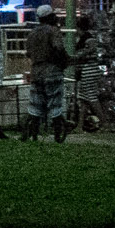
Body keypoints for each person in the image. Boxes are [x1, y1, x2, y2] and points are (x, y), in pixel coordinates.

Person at [23, 9, 74, 141]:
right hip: (52, 71)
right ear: (50, 17)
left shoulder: (32, 33)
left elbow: (28, 53)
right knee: (55, 105)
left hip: (36, 72)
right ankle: (57, 136)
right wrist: (64, 62)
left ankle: (33, 136)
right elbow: (59, 49)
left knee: (35, 107)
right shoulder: (53, 31)